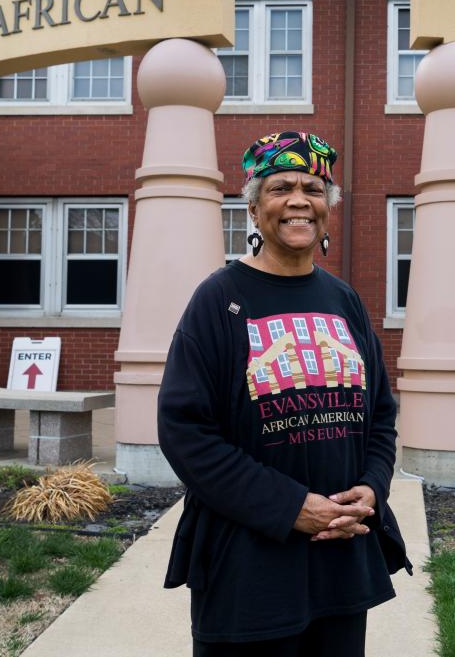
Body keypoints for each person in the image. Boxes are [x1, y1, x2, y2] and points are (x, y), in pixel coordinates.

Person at [157, 131, 412, 657]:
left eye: (314, 189)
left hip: (342, 557)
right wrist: (293, 507)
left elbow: (380, 415)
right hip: (249, 565)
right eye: (281, 188)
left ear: (327, 208)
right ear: (254, 209)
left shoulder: (344, 300)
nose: (299, 200)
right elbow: (186, 433)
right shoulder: (219, 300)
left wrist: (371, 487)